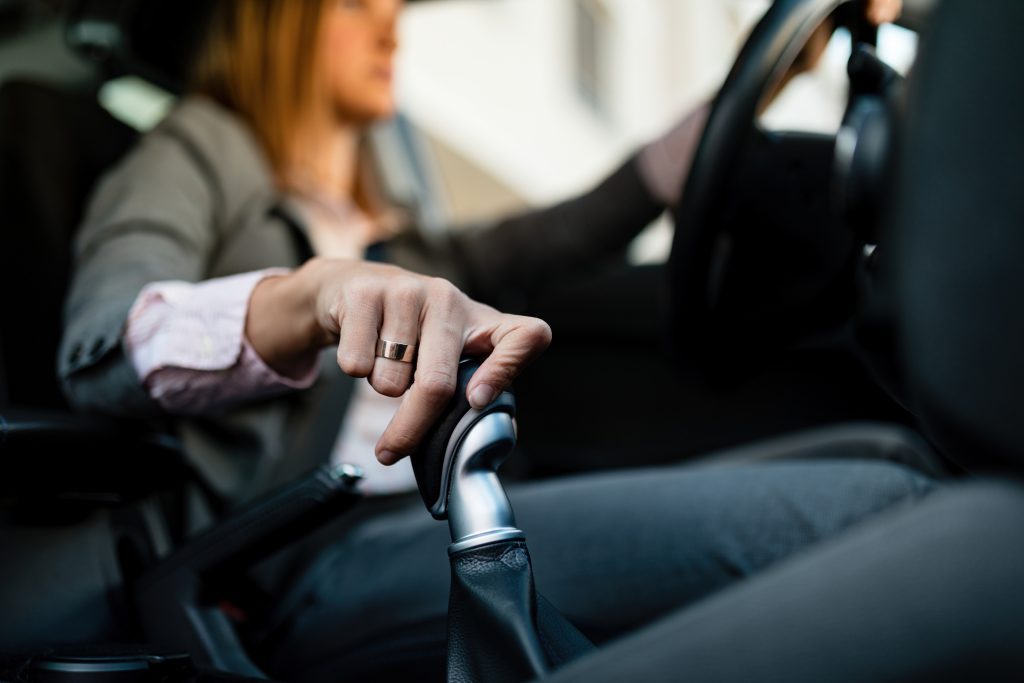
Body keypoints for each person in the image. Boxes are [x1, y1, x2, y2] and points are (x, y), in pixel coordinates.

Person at [58, 0, 934, 680]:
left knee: (892, 474)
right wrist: (313, 294)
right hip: (303, 554)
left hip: (441, 509)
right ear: (280, 20)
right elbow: (107, 344)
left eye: (397, 13)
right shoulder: (198, 150)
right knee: (879, 519)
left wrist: (777, 69)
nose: (390, 29)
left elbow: (559, 236)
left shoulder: (389, 226)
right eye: (360, 8)